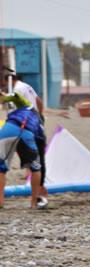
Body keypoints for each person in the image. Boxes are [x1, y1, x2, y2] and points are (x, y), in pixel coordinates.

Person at [0, 66, 44, 208]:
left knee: (1, 167)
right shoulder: (27, 90)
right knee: (36, 167)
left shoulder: (17, 91)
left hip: (8, 129)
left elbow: (11, 98)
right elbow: (39, 101)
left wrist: (3, 96)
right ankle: (33, 203)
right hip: (27, 131)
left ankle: (0, 201)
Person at [9, 69, 49, 207]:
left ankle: (35, 194)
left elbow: (16, 108)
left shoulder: (16, 89)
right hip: (37, 122)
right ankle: (40, 188)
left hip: (25, 125)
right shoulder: (26, 86)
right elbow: (39, 101)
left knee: (31, 158)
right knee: (40, 158)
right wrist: (40, 116)